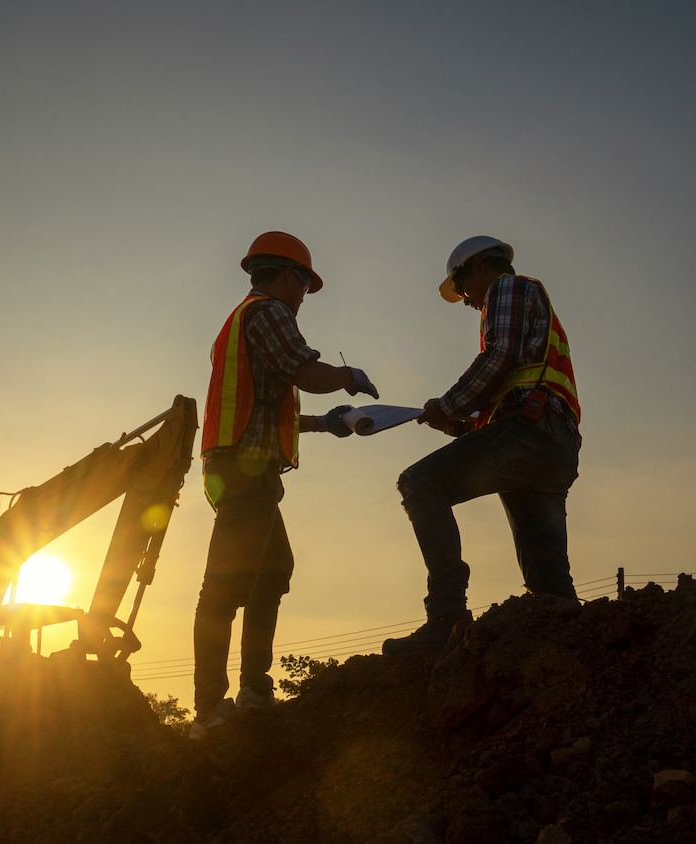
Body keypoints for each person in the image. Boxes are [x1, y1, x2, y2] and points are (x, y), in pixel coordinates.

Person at [191, 231, 380, 738]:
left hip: (239, 467)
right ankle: (209, 712)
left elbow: (264, 410)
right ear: (285, 275)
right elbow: (306, 371)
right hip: (244, 471)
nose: (304, 297)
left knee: (271, 571)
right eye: (303, 284)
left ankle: (253, 693)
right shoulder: (269, 311)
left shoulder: (241, 322)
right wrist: (345, 375)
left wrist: (329, 422)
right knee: (228, 583)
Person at [383, 236, 582, 654]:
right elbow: (513, 385)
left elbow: (501, 354)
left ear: (476, 268)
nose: (467, 302)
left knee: (421, 484)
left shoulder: (506, 288)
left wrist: (450, 406)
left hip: (530, 432)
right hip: (551, 441)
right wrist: (457, 425)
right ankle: (569, 645)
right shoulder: (536, 304)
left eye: (460, 289)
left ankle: (446, 616)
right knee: (547, 577)